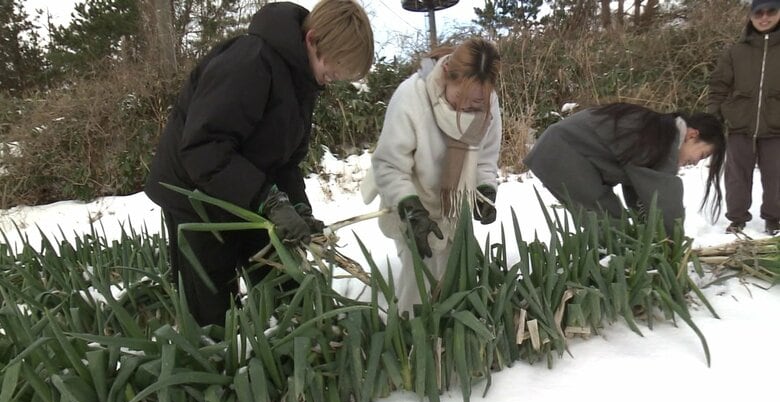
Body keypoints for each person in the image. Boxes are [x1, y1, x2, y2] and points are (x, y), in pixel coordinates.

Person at [144, 0, 374, 327]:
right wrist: (268, 199)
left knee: (281, 284)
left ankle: (285, 358)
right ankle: (219, 363)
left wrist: (298, 208)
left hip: (248, 193)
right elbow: (203, 148)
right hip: (196, 198)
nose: (329, 81)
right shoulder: (249, 61)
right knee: (213, 309)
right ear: (312, 41)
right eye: (332, 70)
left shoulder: (302, 82)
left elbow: (285, 162)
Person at [365, 37, 502, 317]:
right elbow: (389, 164)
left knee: (455, 276)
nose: (467, 108)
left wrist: (486, 190)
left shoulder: (489, 104)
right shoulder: (411, 98)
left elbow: (486, 157)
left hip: (454, 204)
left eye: (476, 101)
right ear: (447, 77)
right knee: (419, 277)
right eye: (460, 98)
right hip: (411, 200)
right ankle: (407, 337)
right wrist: (411, 209)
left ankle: (449, 342)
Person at [523, 103, 726, 235]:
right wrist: (673, 243)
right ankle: (613, 277)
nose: (696, 162)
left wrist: (648, 229)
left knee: (613, 224)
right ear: (692, 135)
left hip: (562, 149)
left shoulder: (659, 131)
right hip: (561, 152)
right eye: (702, 155)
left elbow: (640, 191)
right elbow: (664, 199)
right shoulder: (661, 136)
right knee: (609, 223)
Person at [708, 0, 780, 235]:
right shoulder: (735, 51)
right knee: (737, 175)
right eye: (759, 13)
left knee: (776, 175)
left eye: (771, 12)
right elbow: (719, 85)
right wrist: (715, 115)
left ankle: (774, 219)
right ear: (750, 16)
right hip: (739, 124)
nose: (764, 17)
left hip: (776, 125)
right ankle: (737, 218)